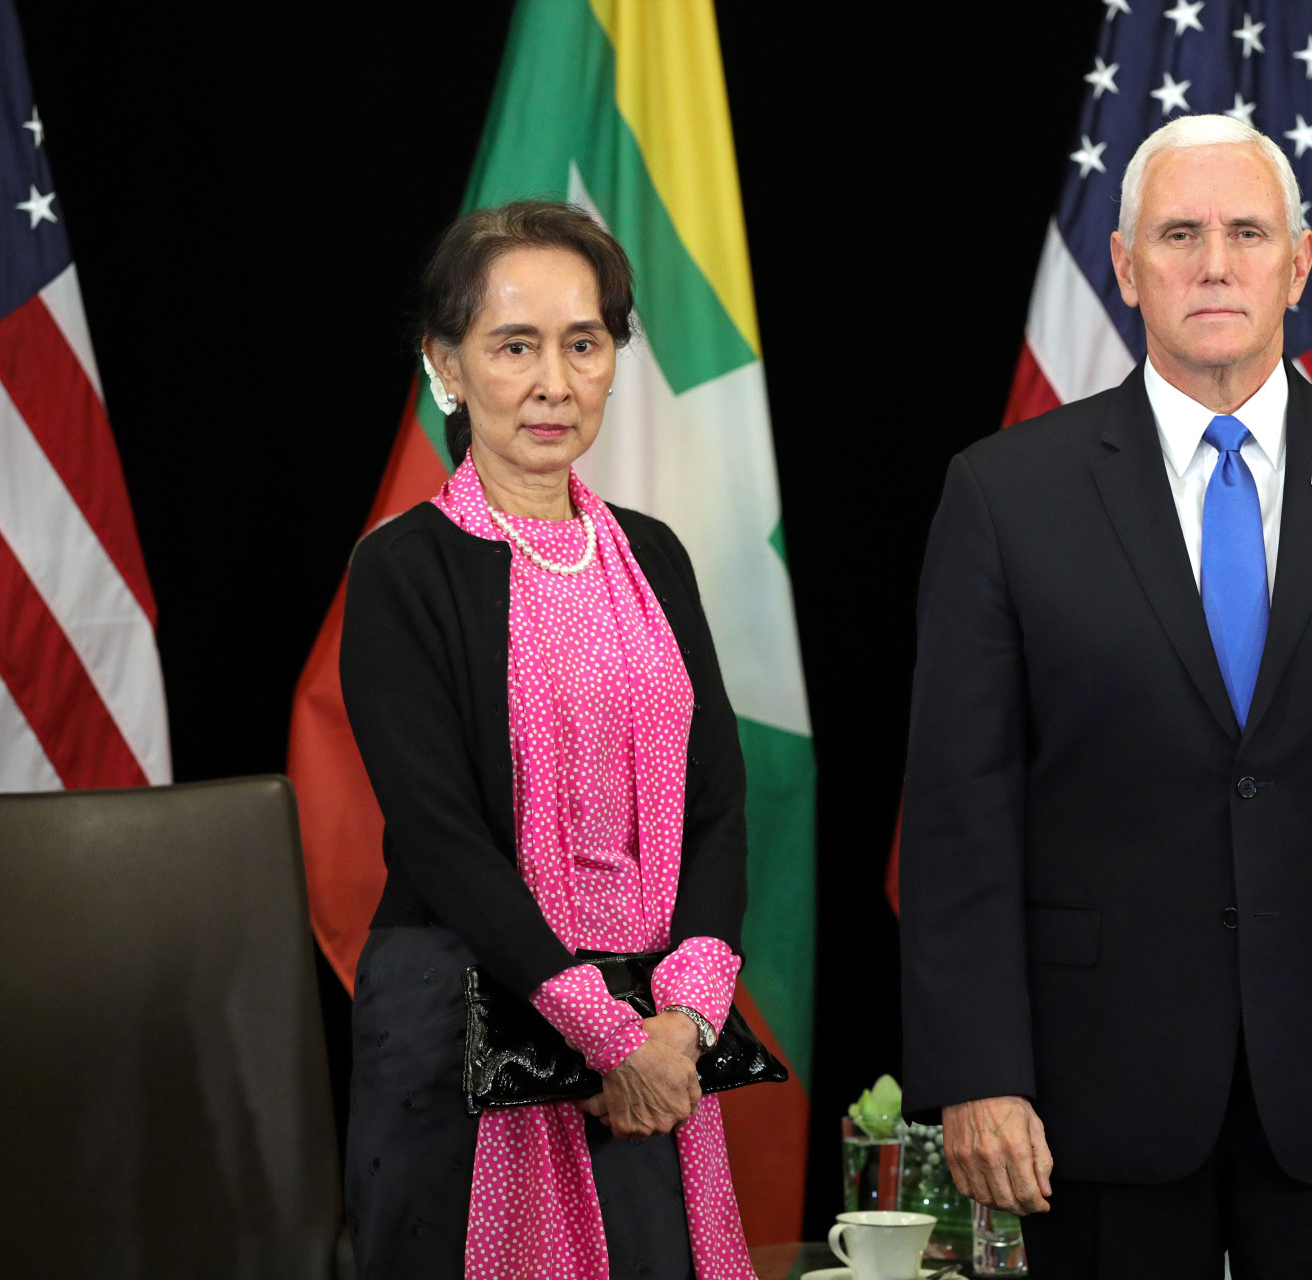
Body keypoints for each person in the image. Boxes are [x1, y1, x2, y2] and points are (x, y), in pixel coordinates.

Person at [899, 114, 1312, 1278]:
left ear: (1301, 264)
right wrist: (978, 1069)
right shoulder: (1004, 495)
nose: (1215, 264)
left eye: (1248, 232)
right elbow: (961, 814)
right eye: (1181, 233)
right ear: (1124, 265)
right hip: (1092, 1092)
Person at [340, 200, 755, 1280]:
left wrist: (682, 1023)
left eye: (584, 343)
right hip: (464, 1029)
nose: (553, 382)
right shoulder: (401, 571)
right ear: (448, 364)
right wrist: (602, 1033)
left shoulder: (657, 557)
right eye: (514, 345)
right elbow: (440, 836)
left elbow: (718, 798)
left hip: (661, 1038)